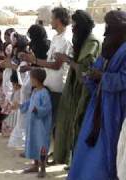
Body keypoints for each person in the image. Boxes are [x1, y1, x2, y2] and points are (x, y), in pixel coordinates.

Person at [68, 10, 126, 180]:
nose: (106, 30)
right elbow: (98, 67)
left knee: (108, 151)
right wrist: (90, 76)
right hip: (98, 106)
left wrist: (102, 77)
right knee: (89, 149)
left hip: (116, 109)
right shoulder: (109, 46)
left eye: (110, 26)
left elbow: (123, 79)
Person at [53, 10, 101, 165]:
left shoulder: (92, 43)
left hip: (85, 93)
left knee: (80, 125)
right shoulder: (81, 41)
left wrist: (66, 59)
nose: (72, 28)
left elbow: (86, 71)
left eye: (75, 24)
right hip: (74, 90)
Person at [21, 68, 52, 178]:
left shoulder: (44, 93)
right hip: (33, 124)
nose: (30, 80)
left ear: (36, 79)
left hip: (41, 126)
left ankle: (42, 167)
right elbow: (29, 103)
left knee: (41, 144)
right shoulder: (35, 91)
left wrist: (37, 110)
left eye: (31, 78)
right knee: (33, 142)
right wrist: (21, 106)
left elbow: (47, 108)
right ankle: (35, 165)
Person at [2, 70, 22, 137]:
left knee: (15, 122)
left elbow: (19, 102)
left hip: (17, 110)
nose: (14, 86)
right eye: (13, 84)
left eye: (16, 84)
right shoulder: (14, 91)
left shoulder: (20, 92)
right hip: (13, 110)